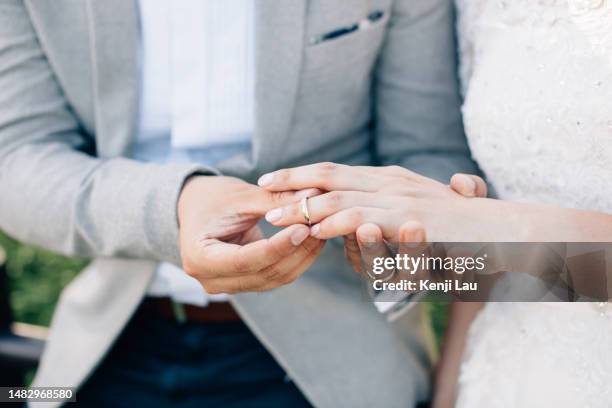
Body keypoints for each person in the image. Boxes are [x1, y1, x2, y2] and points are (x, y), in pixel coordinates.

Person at [0, 0, 482, 406]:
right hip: (108, 343)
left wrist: (402, 241)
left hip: (334, 361)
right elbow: (17, 159)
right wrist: (175, 207)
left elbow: (429, 154)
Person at [256, 0, 612, 406]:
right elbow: (491, 242)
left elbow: (493, 228)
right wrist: (449, 387)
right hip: (508, 371)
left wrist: (496, 229)